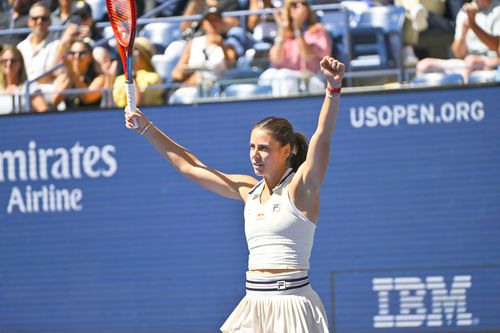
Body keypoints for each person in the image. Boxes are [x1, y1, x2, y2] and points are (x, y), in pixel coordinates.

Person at [124, 55, 344, 333]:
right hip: (253, 304)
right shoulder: (247, 190)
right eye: (252, 147)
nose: (255, 155)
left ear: (286, 151)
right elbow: (190, 166)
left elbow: (322, 136)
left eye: (264, 148)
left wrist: (333, 89)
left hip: (292, 304)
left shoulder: (301, 188)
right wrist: (146, 127)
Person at [416, 0, 499, 81]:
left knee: (471, 61)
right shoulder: (465, 11)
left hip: (493, 62)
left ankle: (464, 95)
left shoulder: (498, 9)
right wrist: (463, 33)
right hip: (467, 63)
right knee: (424, 66)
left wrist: (473, 26)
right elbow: (458, 54)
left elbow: (497, 47)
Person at [264, 0, 332, 95]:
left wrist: (297, 29)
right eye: (294, 5)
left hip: (311, 78)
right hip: (286, 80)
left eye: (304, 3)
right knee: (269, 74)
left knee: (284, 76)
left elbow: (307, 56)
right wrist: (282, 29)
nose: (300, 7)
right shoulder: (284, 34)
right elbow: (275, 59)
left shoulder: (317, 30)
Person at [172, 6, 238, 85]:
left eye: (216, 20)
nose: (213, 24)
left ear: (221, 22)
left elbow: (232, 68)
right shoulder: (193, 43)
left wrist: (222, 46)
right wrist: (188, 78)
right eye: (210, 20)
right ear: (203, 23)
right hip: (194, 87)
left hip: (219, 87)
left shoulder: (228, 45)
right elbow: (177, 72)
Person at [51, 38, 105, 110]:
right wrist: (69, 77)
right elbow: (55, 101)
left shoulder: (100, 78)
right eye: (72, 53)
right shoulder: (63, 77)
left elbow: (87, 98)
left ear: (90, 57)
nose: (77, 56)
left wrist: (72, 74)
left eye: (81, 53)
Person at [113, 37, 163, 108]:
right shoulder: (119, 79)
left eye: (132, 51)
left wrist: (132, 72)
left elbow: (137, 105)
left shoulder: (154, 78)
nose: (128, 55)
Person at [16, 1, 59, 83]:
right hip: (23, 92)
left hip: (47, 93)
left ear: (50, 22)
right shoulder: (21, 47)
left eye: (44, 18)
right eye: (35, 18)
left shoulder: (57, 46)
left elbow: (53, 75)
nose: (39, 22)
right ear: (29, 22)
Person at [0, 44, 49, 112]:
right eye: (4, 61)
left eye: (13, 61)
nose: (9, 64)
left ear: (20, 63)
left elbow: (44, 112)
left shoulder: (30, 87)